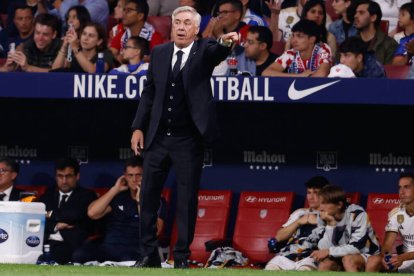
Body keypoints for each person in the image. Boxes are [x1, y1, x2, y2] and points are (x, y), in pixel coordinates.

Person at [130, 5, 238, 269]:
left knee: (186, 200)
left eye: (186, 23)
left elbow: (219, 50)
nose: (180, 27)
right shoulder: (159, 52)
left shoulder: (204, 52)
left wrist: (225, 41)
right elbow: (150, 92)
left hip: (188, 140)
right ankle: (148, 255)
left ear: (196, 28)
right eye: (177, 22)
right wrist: (137, 127)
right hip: (156, 138)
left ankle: (180, 257)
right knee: (148, 198)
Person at [72, 156, 167, 264]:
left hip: (135, 249)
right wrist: (115, 189)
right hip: (109, 247)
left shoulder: (156, 199)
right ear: (125, 176)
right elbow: (92, 213)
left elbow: (155, 231)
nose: (134, 179)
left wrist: (140, 201)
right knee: (79, 255)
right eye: (130, 175)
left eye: (138, 175)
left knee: (128, 258)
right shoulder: (119, 196)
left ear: (145, 176)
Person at [39, 157, 97, 264]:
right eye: (60, 176)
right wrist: (56, 226)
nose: (64, 181)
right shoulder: (46, 196)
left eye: (68, 176)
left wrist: (49, 214)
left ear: (77, 176)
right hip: (45, 243)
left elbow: (75, 215)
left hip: (71, 245)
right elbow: (37, 220)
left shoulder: (87, 196)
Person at [309, 185, 380, 272]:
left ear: (339, 205)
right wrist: (330, 225)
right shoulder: (322, 216)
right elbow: (323, 248)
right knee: (325, 265)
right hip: (339, 254)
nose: (321, 208)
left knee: (348, 260)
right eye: (321, 203)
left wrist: (329, 251)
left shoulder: (357, 214)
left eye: (325, 203)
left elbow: (356, 247)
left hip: (366, 254)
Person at [265, 175, 329, 270]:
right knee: (271, 268)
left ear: (326, 194)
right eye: (309, 193)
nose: (311, 197)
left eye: (315, 193)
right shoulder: (300, 213)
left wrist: (318, 220)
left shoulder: (331, 214)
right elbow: (279, 237)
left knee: (304, 270)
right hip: (288, 255)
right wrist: (299, 222)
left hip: (313, 255)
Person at [365, 172, 414, 273]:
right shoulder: (395, 213)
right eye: (399, 187)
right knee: (373, 260)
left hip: (406, 257)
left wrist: (402, 257)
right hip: (405, 258)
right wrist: (386, 256)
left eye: (407, 187)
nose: (402, 192)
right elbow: (387, 244)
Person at [262, 19, 332, 77]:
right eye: (293, 35)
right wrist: (299, 76)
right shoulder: (291, 53)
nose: (293, 40)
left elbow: (321, 75)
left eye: (299, 36)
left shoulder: (322, 49)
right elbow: (266, 73)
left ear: (312, 39)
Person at [51, 22, 116, 73]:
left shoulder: (105, 55)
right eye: (84, 34)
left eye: (91, 36)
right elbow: (55, 71)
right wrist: (64, 46)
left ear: (99, 41)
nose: (86, 38)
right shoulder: (73, 54)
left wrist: (75, 48)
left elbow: (94, 72)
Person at [354, 0, 398, 65]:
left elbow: (390, 72)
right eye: (356, 13)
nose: (355, 16)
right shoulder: (349, 42)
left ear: (373, 18)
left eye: (361, 13)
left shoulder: (390, 44)